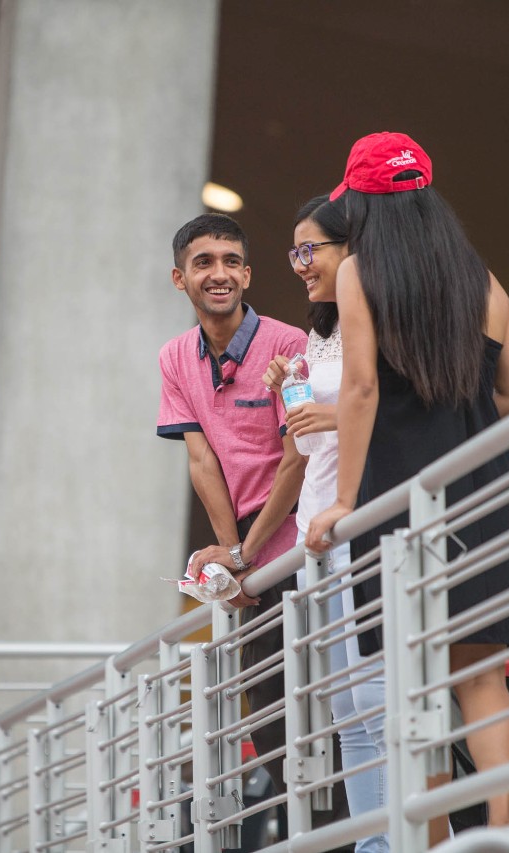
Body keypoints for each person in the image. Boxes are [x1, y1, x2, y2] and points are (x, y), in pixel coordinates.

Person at [305, 132, 509, 840]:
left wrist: (345, 500)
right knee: (482, 676)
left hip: (400, 504)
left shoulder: (361, 273)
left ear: (363, 201)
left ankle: (432, 839)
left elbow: (362, 386)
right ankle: (502, 830)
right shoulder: (481, 278)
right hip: (484, 498)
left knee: (419, 684)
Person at [157, 212, 349, 838]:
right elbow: (201, 458)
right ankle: (311, 838)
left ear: (247, 273)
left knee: (328, 708)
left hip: (303, 540)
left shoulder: (290, 343)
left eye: (231, 261)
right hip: (252, 552)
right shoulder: (174, 358)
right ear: (179, 278)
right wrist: (231, 552)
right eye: (204, 263)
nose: (220, 274)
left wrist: (245, 552)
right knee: (271, 719)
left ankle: (349, 834)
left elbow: (297, 457)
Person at [263, 195, 389, 853]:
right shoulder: (319, 332)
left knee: (373, 696)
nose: (300, 264)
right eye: (295, 252)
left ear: (350, 251)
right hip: (316, 527)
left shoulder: (379, 318)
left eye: (310, 249)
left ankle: (396, 840)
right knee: (344, 705)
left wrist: (334, 413)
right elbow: (307, 445)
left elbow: (393, 415)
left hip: (358, 521)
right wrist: (292, 389)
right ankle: (375, 842)